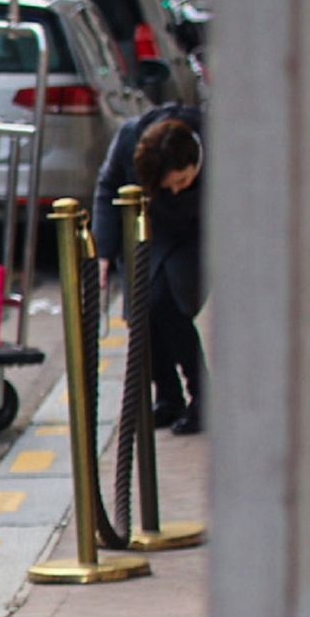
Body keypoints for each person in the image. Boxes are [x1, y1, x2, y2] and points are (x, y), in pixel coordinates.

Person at [92, 105, 205, 434]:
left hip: (198, 233)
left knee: (167, 304)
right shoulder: (130, 138)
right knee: (141, 311)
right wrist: (102, 251)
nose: (176, 190)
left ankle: (203, 395)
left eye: (182, 181)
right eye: (167, 185)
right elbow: (108, 188)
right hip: (148, 229)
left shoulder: (220, 143)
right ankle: (168, 396)